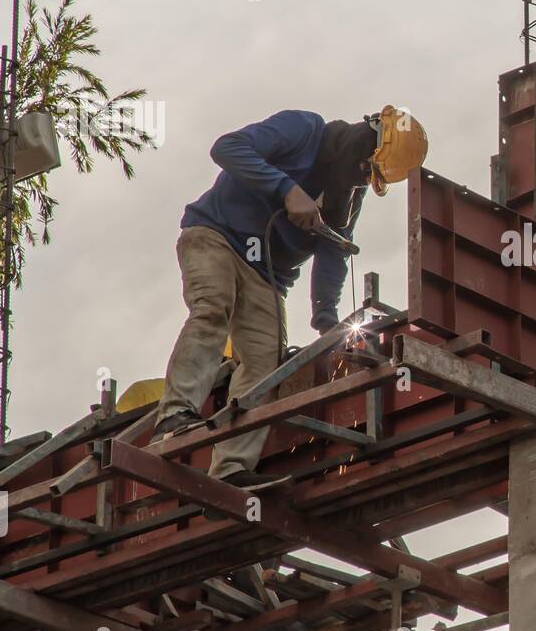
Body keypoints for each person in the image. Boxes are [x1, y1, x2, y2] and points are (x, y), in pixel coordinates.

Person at [150, 105, 427, 490]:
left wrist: (328, 322)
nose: (363, 178)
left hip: (266, 276)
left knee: (266, 361)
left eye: (371, 176)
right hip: (214, 235)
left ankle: (230, 469)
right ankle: (176, 414)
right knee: (212, 310)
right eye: (367, 167)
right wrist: (287, 190)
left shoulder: (347, 196)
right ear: (366, 141)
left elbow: (333, 253)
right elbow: (227, 148)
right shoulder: (303, 129)